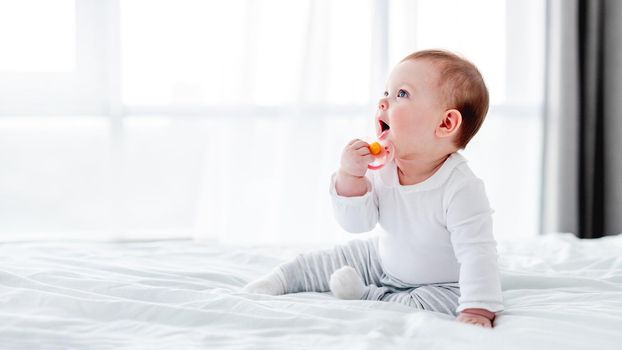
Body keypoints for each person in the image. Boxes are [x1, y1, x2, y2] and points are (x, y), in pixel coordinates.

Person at [244, 49, 503, 328]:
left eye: (401, 94)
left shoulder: (462, 188)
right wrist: (351, 175)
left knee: (435, 304)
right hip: (383, 259)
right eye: (386, 92)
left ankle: (365, 295)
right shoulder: (384, 166)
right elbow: (357, 224)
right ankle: (283, 278)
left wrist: (477, 310)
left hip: (441, 282)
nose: (383, 101)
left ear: (444, 123)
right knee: (337, 258)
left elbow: (478, 254)